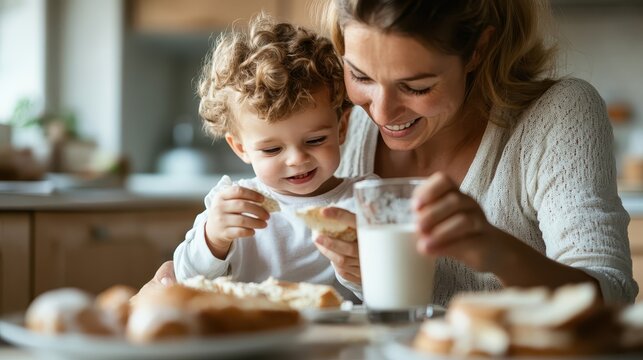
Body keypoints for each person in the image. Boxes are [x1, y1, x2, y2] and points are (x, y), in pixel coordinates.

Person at [146, 0, 638, 306]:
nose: (379, 112)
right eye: (359, 76)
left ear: (479, 50)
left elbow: (611, 298)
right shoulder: (332, 117)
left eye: (416, 85)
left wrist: (496, 249)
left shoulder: (557, 115)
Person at [171, 14, 369, 301]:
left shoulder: (364, 200)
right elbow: (187, 282)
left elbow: (389, 294)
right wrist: (213, 238)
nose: (297, 159)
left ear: (342, 128)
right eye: (272, 149)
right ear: (240, 148)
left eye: (315, 140)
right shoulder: (234, 202)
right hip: (252, 335)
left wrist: (364, 272)